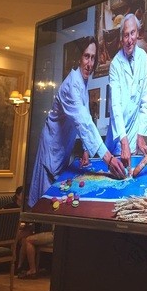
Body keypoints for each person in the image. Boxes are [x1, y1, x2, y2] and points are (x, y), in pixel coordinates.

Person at [28, 36, 126, 208]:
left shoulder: (82, 82)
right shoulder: (72, 85)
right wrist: (109, 159)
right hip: (51, 148)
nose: (89, 63)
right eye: (86, 56)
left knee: (56, 198)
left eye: (93, 58)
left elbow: (84, 115)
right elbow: (83, 122)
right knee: (43, 204)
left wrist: (86, 150)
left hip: (61, 149)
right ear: (79, 58)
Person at [104, 13, 147, 168]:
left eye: (132, 33)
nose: (129, 39)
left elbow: (146, 99)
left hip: (135, 132)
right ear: (121, 38)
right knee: (118, 174)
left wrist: (141, 135)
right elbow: (115, 107)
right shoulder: (115, 65)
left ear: (138, 33)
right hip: (119, 135)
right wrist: (123, 141)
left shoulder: (143, 57)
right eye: (126, 35)